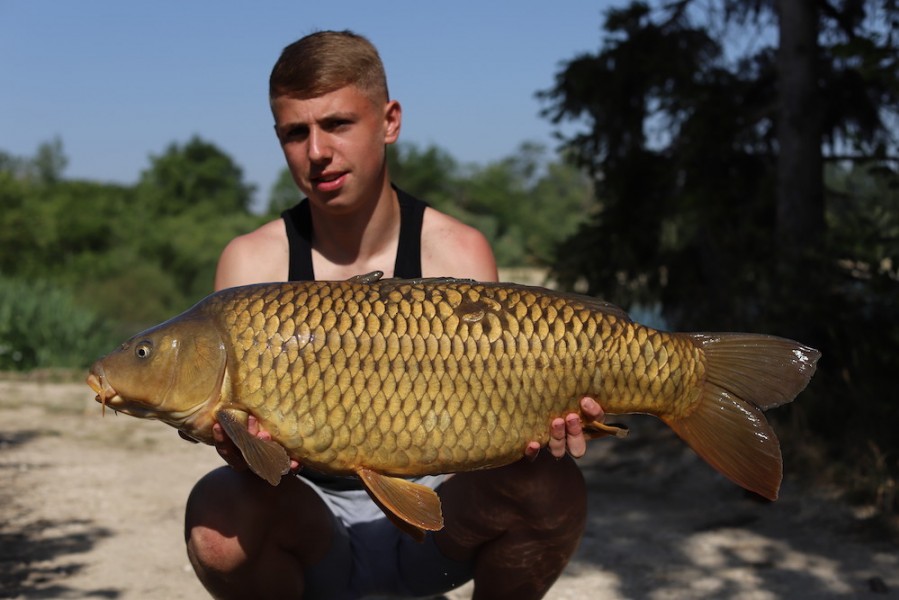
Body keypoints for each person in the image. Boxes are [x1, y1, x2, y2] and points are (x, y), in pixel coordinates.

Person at [184, 30, 605, 600]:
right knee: (216, 514)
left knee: (550, 483)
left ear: (389, 121)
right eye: (295, 132)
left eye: (337, 124)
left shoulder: (456, 252)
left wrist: (548, 417)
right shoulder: (252, 262)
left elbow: (502, 414)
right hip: (311, 530)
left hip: (434, 522)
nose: (316, 152)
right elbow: (248, 460)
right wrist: (243, 447)